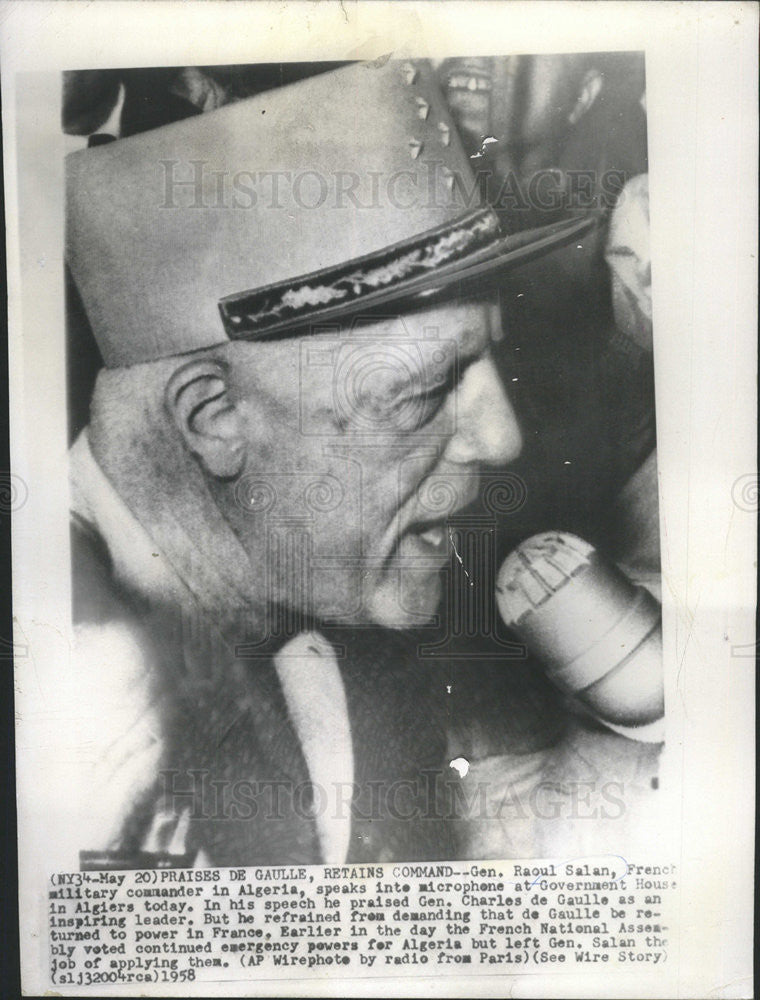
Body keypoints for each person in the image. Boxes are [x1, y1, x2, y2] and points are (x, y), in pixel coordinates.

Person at [65, 58, 660, 869]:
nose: (502, 438)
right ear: (214, 419)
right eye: (422, 394)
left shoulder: (306, 594)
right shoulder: (69, 694)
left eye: (487, 363)